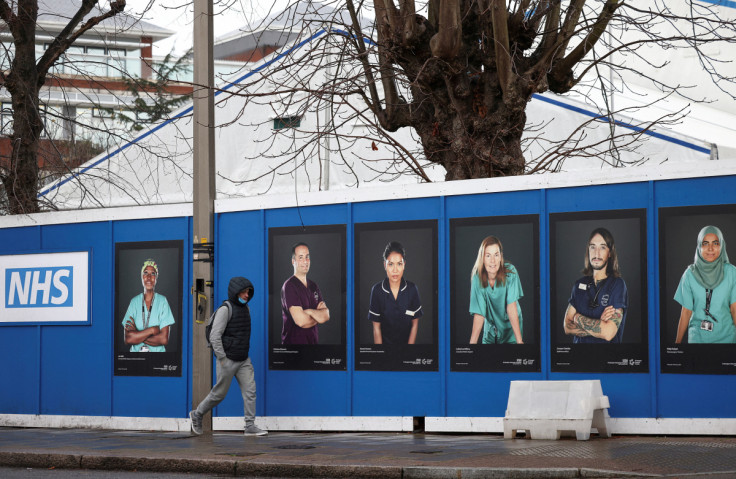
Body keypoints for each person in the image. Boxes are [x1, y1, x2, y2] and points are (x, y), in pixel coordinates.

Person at [190, 276, 267, 436]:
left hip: (243, 359)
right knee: (219, 394)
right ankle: (197, 414)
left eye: (248, 292)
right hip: (228, 360)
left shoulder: (246, 309)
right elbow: (214, 336)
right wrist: (222, 359)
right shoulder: (225, 309)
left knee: (250, 392)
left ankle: (250, 426)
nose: (247, 295)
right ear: (235, 292)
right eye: (244, 292)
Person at [563, 227, 628, 343]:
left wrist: (577, 317)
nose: (596, 253)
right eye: (593, 247)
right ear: (588, 251)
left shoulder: (617, 285)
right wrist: (599, 326)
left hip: (607, 358)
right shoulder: (579, 284)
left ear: (610, 253)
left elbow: (608, 333)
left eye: (602, 247)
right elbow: (567, 326)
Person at [675, 226, 736, 344]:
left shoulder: (732, 273)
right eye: (705, 243)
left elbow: (735, 309)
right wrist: (676, 347)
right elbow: (686, 312)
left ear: (722, 246)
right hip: (697, 340)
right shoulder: (689, 274)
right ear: (699, 246)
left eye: (715, 243)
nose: (711, 248)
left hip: (727, 340)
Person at [469, 236, 524, 344]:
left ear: (500, 257)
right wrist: (471, 345)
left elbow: (511, 307)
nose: (493, 260)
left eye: (496, 255)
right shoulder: (477, 277)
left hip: (511, 329)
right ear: (482, 258)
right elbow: (479, 313)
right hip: (490, 330)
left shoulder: (510, 272)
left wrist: (519, 341)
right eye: (488, 255)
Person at [368, 241, 423, 344]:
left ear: (404, 265)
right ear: (385, 265)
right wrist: (380, 354)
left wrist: (408, 352)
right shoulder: (377, 290)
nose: (395, 270)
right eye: (391, 264)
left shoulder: (412, 290)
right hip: (385, 352)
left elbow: (415, 324)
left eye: (399, 264)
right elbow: (376, 328)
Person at [280, 242, 330, 344]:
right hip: (293, 350)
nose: (305, 261)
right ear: (293, 261)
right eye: (301, 257)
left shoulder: (313, 286)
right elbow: (301, 321)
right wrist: (318, 317)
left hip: (312, 348)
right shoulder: (289, 286)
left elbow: (326, 315)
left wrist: (309, 312)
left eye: (307, 257)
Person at [122, 259, 175, 352]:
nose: (149, 277)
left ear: (156, 278)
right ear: (142, 277)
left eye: (153, 273)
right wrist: (152, 330)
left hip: (158, 359)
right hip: (136, 358)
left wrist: (137, 335)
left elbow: (164, 339)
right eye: (145, 273)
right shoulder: (134, 302)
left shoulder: (162, 301)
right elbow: (128, 339)